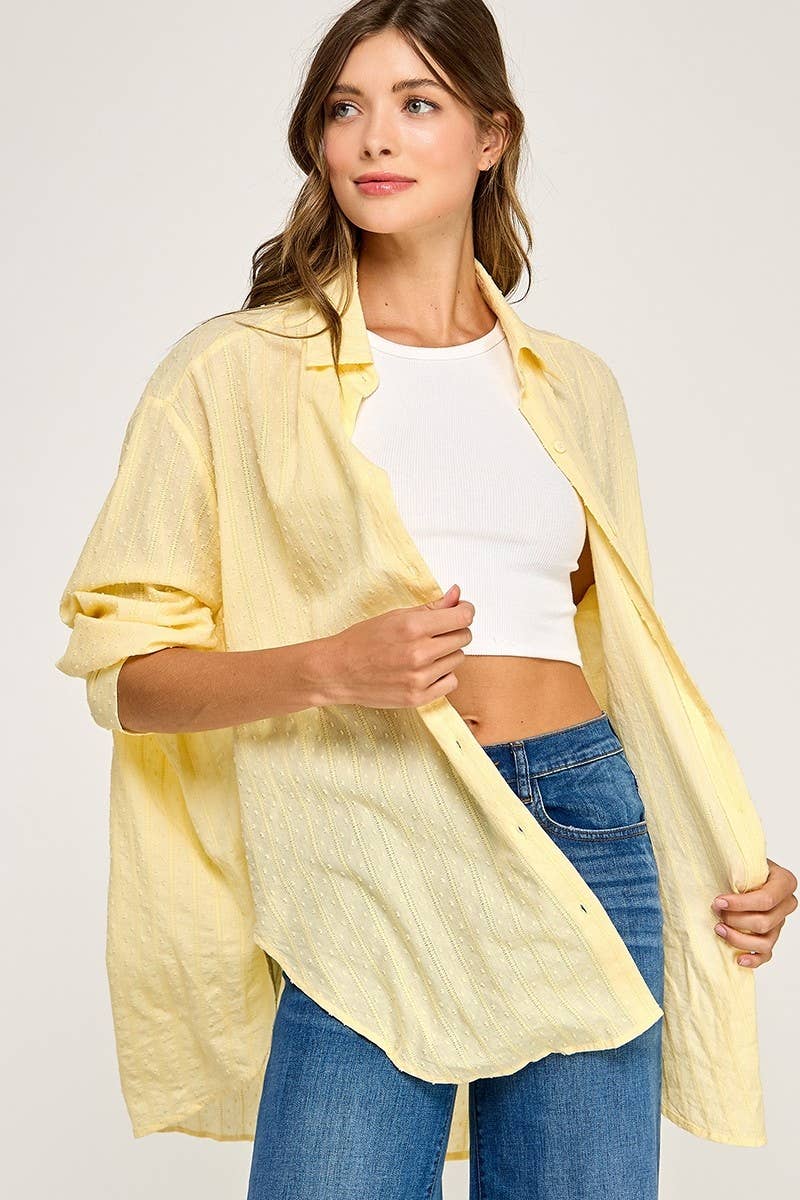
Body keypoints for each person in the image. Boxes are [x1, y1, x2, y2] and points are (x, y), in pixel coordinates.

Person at [55, 3, 797, 1198]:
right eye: (344, 108)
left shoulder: (574, 387)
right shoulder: (232, 371)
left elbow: (626, 664)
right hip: (370, 834)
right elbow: (126, 677)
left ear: (490, 136)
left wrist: (723, 846)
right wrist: (327, 669)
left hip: (585, 820)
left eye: (417, 104)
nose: (373, 139)